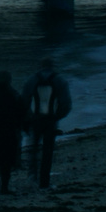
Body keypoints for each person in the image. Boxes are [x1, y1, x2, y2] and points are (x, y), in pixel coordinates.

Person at [20, 58, 72, 189]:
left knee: (33, 149)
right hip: (50, 121)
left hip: (36, 120)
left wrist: (27, 118)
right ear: (52, 66)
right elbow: (66, 103)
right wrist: (57, 117)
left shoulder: (32, 79)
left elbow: (24, 102)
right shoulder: (59, 80)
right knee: (47, 151)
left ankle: (32, 177)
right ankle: (44, 182)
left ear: (41, 66)